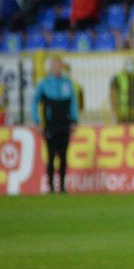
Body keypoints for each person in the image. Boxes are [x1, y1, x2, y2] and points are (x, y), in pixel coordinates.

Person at [32, 56, 78, 194]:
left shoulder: (68, 83)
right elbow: (34, 102)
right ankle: (51, 187)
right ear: (51, 68)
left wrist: (74, 120)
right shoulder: (44, 84)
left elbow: (73, 103)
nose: (57, 68)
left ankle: (62, 187)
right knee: (51, 155)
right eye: (54, 65)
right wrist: (37, 121)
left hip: (65, 125)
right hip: (50, 125)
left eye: (59, 65)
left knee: (63, 156)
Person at [109, 58, 134, 124]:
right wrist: (116, 114)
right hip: (124, 115)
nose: (132, 66)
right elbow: (113, 96)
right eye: (130, 64)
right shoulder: (118, 78)